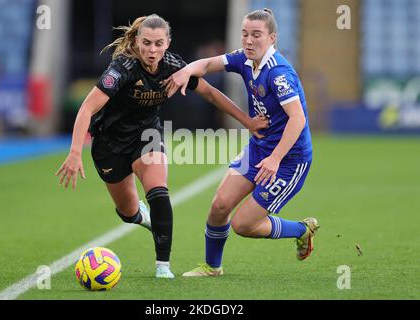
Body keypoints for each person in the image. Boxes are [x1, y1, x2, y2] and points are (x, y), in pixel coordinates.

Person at [55, 14, 268, 279]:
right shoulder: (122, 68)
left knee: (159, 193)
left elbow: (211, 94)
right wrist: (75, 152)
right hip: (109, 143)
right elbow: (87, 107)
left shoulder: (173, 67)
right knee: (127, 211)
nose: (152, 50)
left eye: (158, 44)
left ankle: (163, 267)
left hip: (147, 135)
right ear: (137, 41)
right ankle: (140, 217)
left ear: (167, 43)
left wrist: (246, 120)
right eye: (146, 43)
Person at [164, 8, 320, 276]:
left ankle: (301, 229)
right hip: (259, 148)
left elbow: (298, 120)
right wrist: (184, 72)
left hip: (288, 160)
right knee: (219, 206)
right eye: (245, 34)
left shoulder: (279, 73)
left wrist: (275, 158)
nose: (248, 41)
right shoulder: (244, 59)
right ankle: (212, 267)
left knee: (243, 225)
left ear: (272, 38)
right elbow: (206, 65)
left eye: (256, 35)